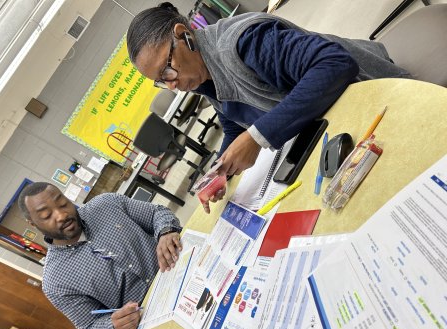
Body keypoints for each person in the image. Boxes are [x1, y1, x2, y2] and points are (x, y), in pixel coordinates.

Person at [126, 3, 411, 212]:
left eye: (167, 70)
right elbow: (232, 120)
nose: (172, 85)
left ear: (183, 35)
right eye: (161, 82)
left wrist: (257, 137)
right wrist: (223, 165)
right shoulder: (201, 75)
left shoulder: (246, 42)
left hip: (379, 97)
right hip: (336, 124)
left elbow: (335, 65)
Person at [17, 182, 182, 329]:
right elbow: (90, 326)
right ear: (33, 223)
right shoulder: (55, 282)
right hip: (153, 319)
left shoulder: (106, 204)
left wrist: (166, 231)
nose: (61, 215)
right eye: (46, 216)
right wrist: (114, 328)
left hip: (179, 268)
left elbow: (156, 213)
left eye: (62, 203)